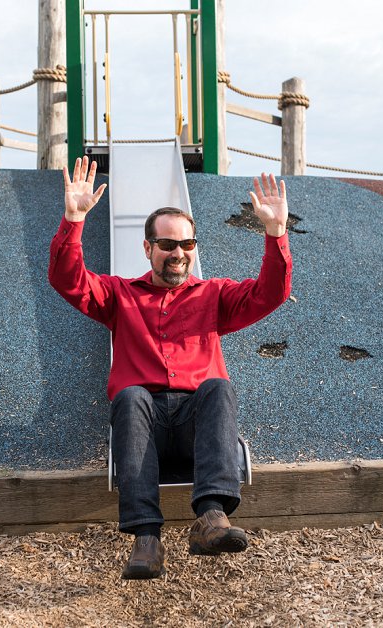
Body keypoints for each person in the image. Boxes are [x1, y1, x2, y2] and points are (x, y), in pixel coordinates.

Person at [48, 156, 292, 579]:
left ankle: (211, 519)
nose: (178, 253)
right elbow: (67, 280)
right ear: (148, 249)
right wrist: (73, 220)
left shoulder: (213, 295)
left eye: (186, 245)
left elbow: (270, 294)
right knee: (131, 395)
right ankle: (147, 539)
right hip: (145, 430)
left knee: (217, 388)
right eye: (167, 245)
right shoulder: (119, 295)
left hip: (198, 427)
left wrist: (275, 233)